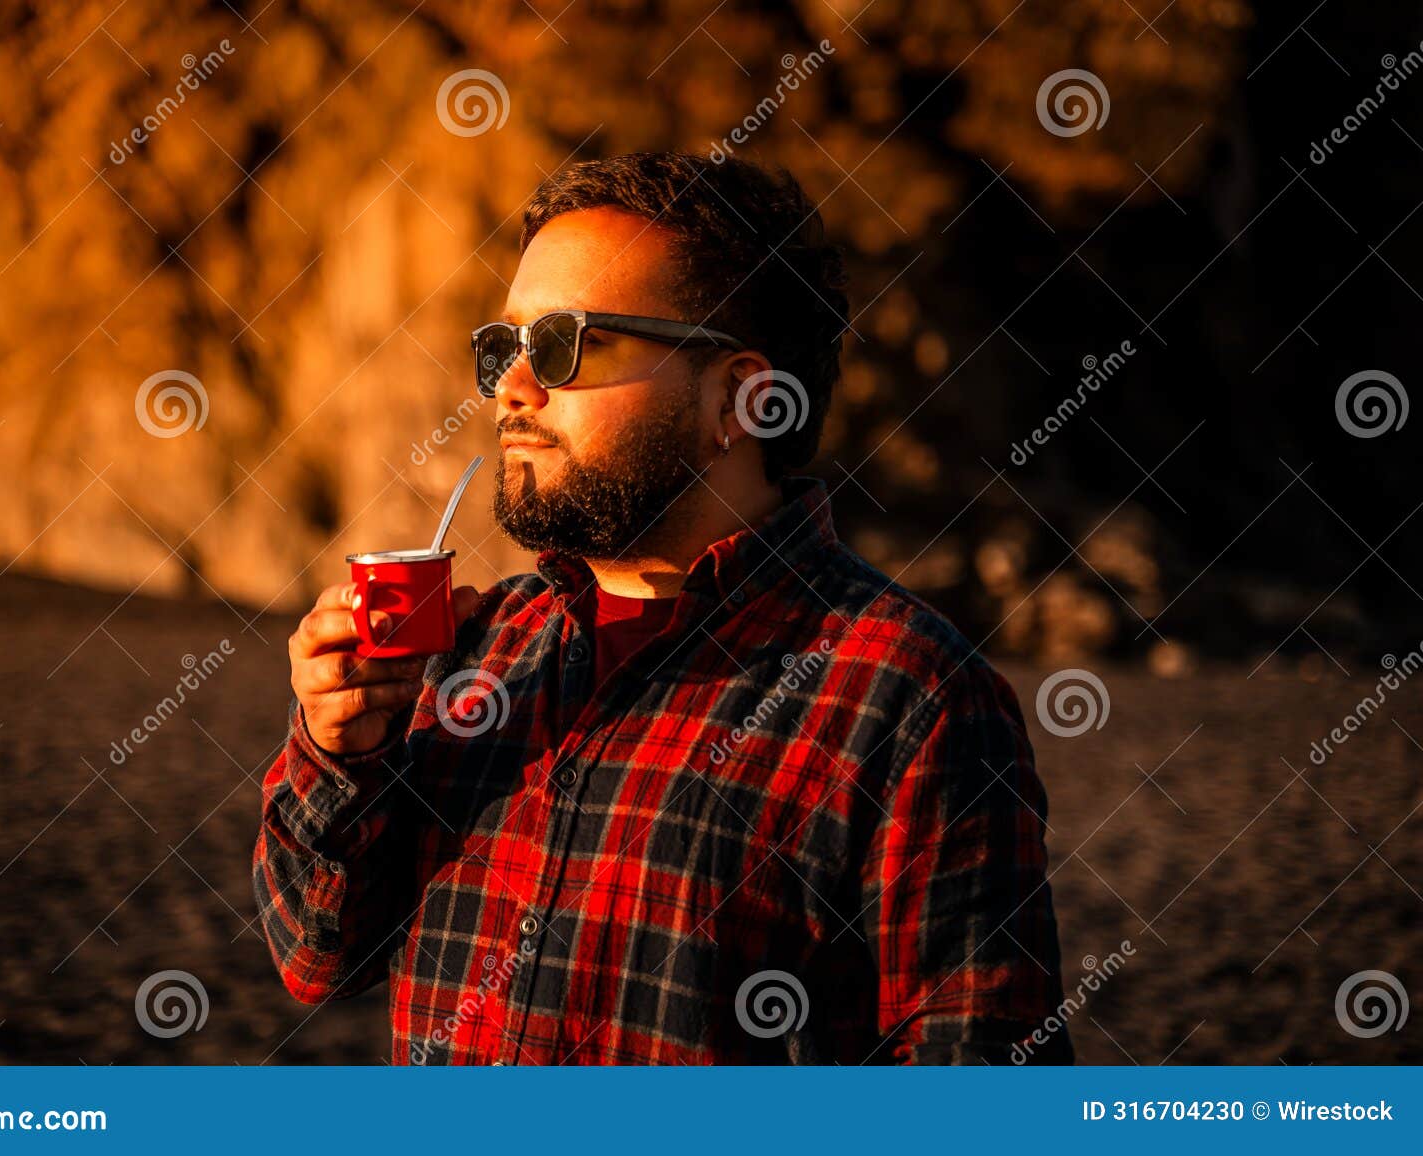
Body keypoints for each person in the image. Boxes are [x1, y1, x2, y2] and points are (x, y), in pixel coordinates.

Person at [253, 150, 1071, 1064]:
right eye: (503, 348)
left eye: (568, 344)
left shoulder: (910, 700)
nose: (513, 388)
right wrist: (340, 750)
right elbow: (318, 958)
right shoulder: (477, 646)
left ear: (737, 397)